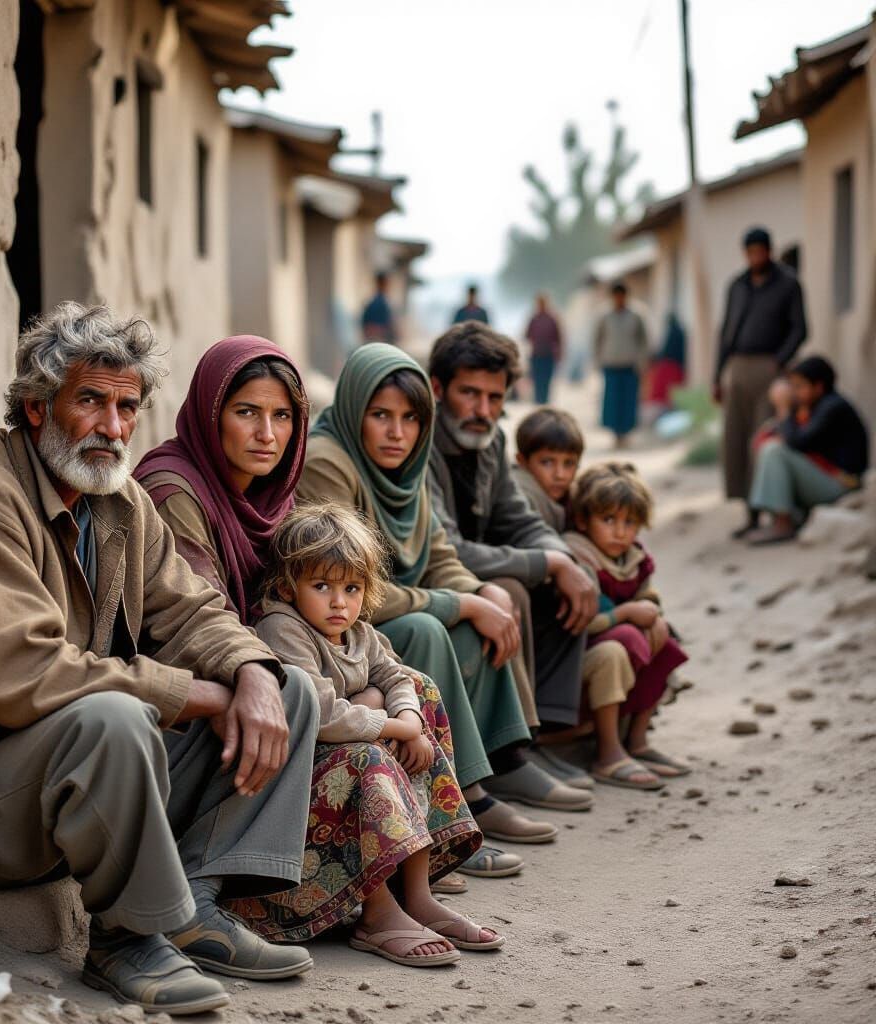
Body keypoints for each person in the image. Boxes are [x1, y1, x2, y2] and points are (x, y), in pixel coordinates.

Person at [0, 304, 321, 1017]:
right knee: (116, 718)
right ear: (34, 407)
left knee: (288, 685)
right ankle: (126, 940)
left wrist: (249, 674)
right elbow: (28, 679)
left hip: (70, 775)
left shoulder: (120, 502)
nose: (113, 428)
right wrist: (199, 696)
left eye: (126, 407)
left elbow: (193, 610)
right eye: (89, 401)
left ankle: (195, 904)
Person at [134, 336, 481, 927]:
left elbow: (353, 641)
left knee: (412, 688)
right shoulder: (175, 491)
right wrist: (366, 708)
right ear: (209, 413)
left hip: (285, 695)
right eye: (247, 412)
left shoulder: (270, 497)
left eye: (282, 416)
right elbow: (200, 624)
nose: (267, 433)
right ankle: (355, 902)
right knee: (349, 731)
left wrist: (382, 701)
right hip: (202, 720)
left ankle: (411, 874)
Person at [299, 343, 564, 866]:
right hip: (334, 634)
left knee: (482, 611)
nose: (397, 433)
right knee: (426, 627)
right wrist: (458, 602)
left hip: (373, 621)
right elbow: (344, 588)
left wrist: (478, 592)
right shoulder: (328, 462)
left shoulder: (404, 465)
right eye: (381, 416)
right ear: (355, 410)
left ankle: (494, 770)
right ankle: (450, 813)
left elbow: (439, 552)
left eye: (410, 419)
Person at [246, 504, 496, 964]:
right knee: (369, 754)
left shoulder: (360, 632)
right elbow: (320, 713)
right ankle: (375, 912)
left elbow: (397, 675)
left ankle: (416, 893)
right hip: (301, 786)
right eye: (321, 586)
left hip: (353, 760)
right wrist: (395, 726)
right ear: (288, 587)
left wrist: (411, 720)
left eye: (352, 588)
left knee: (422, 690)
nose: (339, 602)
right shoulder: (282, 628)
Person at [425, 322, 598, 802]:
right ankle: (507, 756)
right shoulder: (416, 440)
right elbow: (446, 546)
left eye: (495, 398)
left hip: (470, 569)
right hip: (434, 577)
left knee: (573, 570)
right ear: (437, 389)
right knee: (517, 587)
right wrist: (544, 562)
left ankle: (538, 738)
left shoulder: (493, 441)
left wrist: (561, 558)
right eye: (469, 394)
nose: (483, 411)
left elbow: (516, 517)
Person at [563, 463, 691, 787]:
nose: (620, 532)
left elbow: (648, 595)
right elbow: (582, 622)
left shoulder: (633, 557)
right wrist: (625, 614)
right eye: (608, 520)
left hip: (627, 647)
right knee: (619, 645)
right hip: (581, 659)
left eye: (630, 523)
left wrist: (651, 611)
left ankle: (638, 741)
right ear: (582, 520)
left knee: (664, 642)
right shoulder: (579, 558)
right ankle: (608, 751)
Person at [714, 226, 807, 538]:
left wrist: (779, 361)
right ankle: (749, 515)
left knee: (762, 437)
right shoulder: (737, 286)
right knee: (736, 440)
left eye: (760, 251)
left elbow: (800, 329)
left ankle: (771, 511)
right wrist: (718, 375)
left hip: (770, 368)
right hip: (738, 368)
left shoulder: (788, 284)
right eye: (750, 252)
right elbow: (725, 332)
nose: (756, 257)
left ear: (769, 250)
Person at [746, 355, 869, 545]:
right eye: (792, 386)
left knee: (775, 451)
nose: (794, 392)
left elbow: (797, 443)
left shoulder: (833, 407)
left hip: (841, 485)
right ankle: (774, 518)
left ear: (818, 387)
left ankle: (783, 524)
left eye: (799, 386)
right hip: (825, 479)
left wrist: (784, 410)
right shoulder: (811, 407)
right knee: (768, 443)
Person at [594, 282, 649, 447]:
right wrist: (598, 359)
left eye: (621, 296)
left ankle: (626, 433)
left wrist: (642, 361)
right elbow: (597, 339)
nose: (619, 299)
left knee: (628, 401)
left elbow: (643, 341)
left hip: (630, 365)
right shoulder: (604, 316)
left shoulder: (636, 315)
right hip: (610, 364)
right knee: (612, 402)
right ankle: (615, 434)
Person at [512, 406, 584, 532]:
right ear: (522, 461)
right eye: (547, 462)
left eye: (569, 463)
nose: (560, 475)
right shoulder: (520, 499)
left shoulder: (576, 497)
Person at [525, 293, 563, 404]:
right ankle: (538, 402)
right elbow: (526, 335)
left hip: (548, 354)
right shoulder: (534, 319)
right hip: (536, 354)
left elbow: (559, 338)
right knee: (537, 381)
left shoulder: (552, 319)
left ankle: (544, 402)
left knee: (546, 381)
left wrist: (559, 354)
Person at [646, 312, 687, 411]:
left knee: (666, 392)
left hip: (670, 365)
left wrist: (657, 359)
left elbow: (666, 350)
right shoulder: (680, 332)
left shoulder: (672, 333)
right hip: (677, 366)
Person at [361, 271, 397, 344]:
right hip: (377, 339)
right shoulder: (377, 302)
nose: (388, 286)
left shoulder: (382, 301)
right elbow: (369, 327)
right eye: (386, 283)